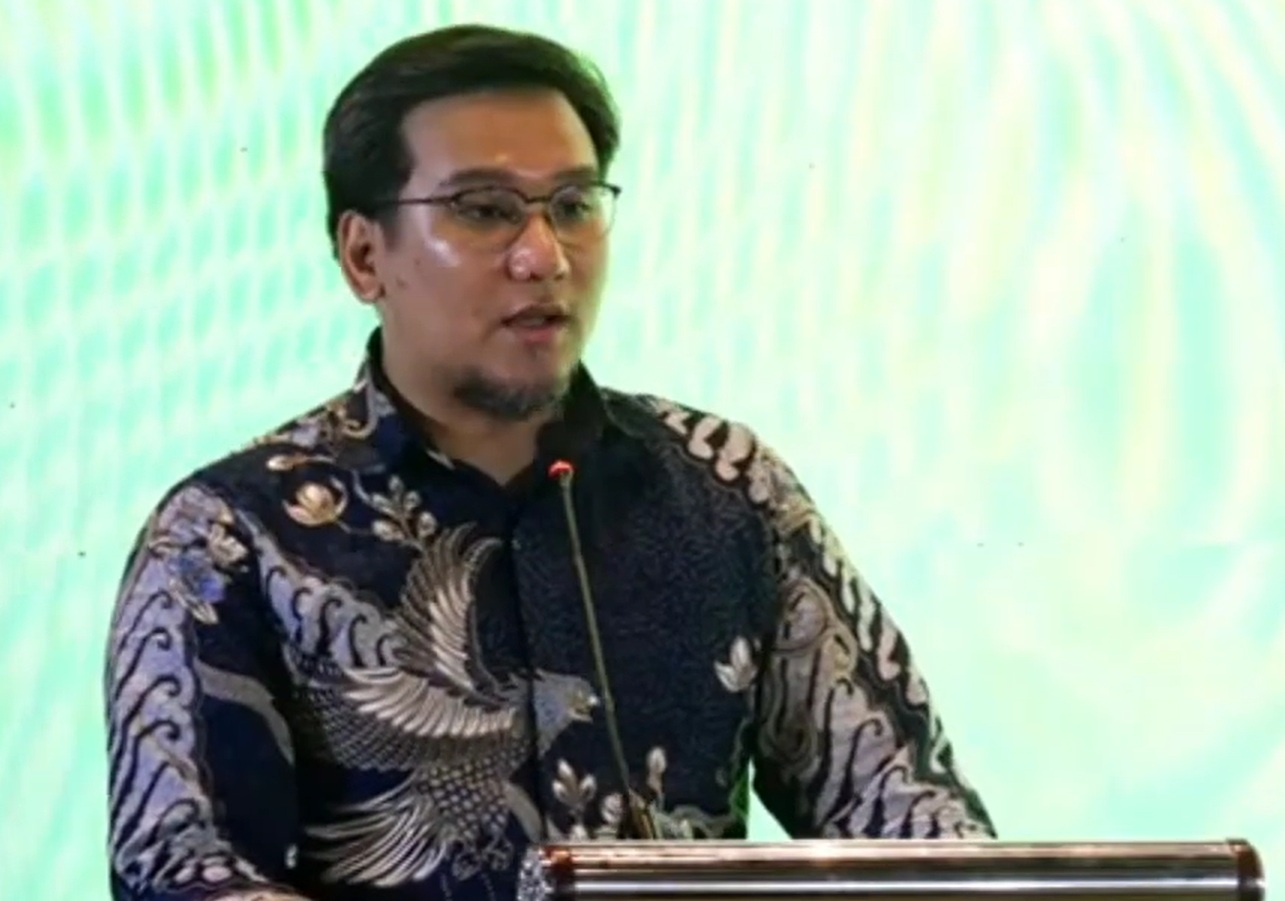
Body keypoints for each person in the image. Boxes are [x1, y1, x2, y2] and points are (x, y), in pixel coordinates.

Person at [102, 22, 995, 901]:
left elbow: (909, 820)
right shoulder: (230, 537)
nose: (544, 256)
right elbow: (184, 870)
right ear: (364, 255)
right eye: (485, 209)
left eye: (572, 205)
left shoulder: (724, 488)